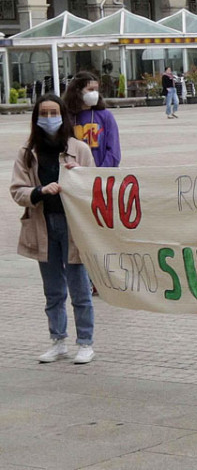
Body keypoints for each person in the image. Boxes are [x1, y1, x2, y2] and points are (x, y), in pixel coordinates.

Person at [11, 94, 97, 364]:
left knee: (80, 289)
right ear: (36, 118)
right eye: (43, 113)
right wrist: (39, 191)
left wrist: (79, 173)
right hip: (42, 225)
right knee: (53, 291)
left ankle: (85, 342)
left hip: (73, 227)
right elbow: (17, 190)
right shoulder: (28, 153)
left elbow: (96, 186)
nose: (49, 118)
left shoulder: (79, 148)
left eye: (54, 112)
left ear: (63, 115)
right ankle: (58, 341)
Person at [64, 71, 121, 168]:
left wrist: (99, 173)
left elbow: (113, 151)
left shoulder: (106, 116)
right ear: (77, 91)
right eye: (90, 89)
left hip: (101, 176)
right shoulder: (66, 116)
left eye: (96, 90)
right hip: (74, 174)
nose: (94, 93)